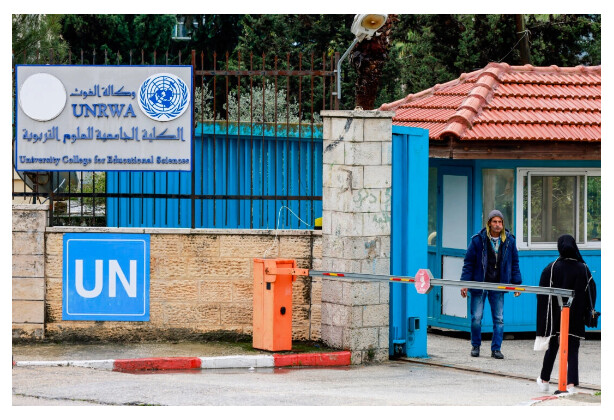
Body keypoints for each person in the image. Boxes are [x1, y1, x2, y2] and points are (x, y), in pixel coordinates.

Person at [535, 234, 597, 394]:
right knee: (573, 349)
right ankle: (570, 385)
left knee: (553, 347)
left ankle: (544, 380)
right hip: (575, 318)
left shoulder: (552, 267)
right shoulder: (583, 269)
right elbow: (592, 291)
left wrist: (545, 320)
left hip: (556, 318)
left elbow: (541, 294)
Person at [460, 209, 522, 359]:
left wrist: (517, 283)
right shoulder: (477, 240)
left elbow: (514, 263)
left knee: (499, 318)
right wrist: (464, 283)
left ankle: (496, 349)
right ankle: (475, 346)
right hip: (480, 284)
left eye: (500, 222)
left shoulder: (509, 241)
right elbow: (468, 263)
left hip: (498, 285)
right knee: (476, 317)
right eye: (494, 222)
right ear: (489, 223)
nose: (497, 225)